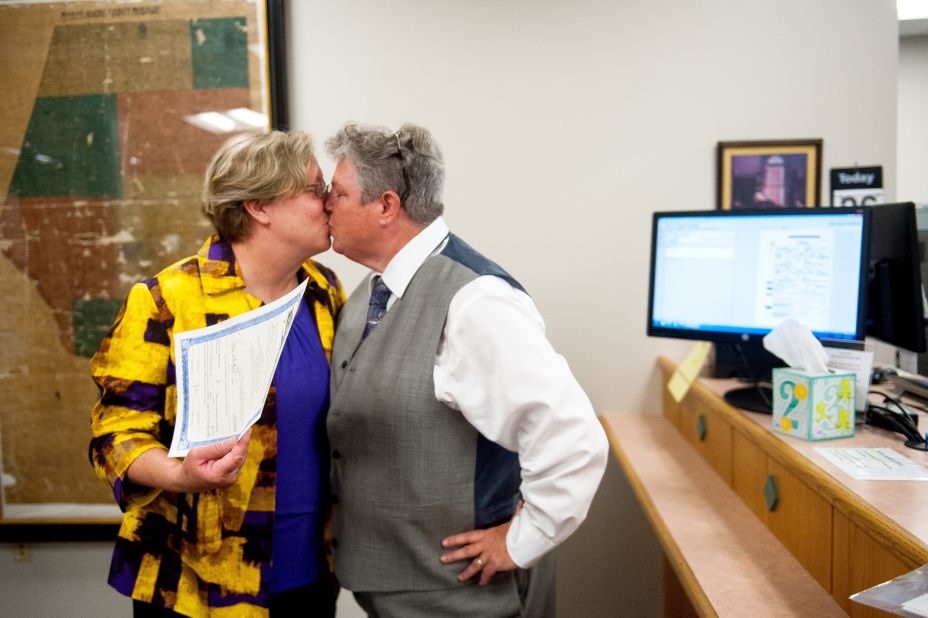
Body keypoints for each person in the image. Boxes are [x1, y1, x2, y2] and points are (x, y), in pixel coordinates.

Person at [323, 122, 609, 617]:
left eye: (338, 193)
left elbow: (572, 434)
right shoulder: (372, 293)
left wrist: (520, 541)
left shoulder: (476, 302)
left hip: (463, 596)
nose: (326, 204)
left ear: (386, 206)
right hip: (395, 586)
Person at [89, 130, 345, 617]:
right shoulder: (167, 299)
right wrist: (178, 475)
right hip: (196, 586)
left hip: (309, 579)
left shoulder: (323, 291)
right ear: (259, 207)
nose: (330, 201)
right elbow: (113, 437)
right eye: (314, 189)